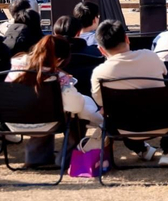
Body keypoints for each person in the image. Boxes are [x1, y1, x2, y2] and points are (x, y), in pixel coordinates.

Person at [91, 20, 168, 167]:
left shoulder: (99, 73)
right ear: (127, 39)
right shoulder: (151, 56)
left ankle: (143, 150)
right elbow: (165, 75)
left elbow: (101, 102)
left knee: (115, 112)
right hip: (163, 123)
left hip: (123, 128)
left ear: (101, 50)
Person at [5, 35, 103, 165]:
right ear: (59, 59)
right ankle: (67, 158)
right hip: (45, 123)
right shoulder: (56, 77)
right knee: (75, 115)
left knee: (42, 111)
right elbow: (76, 107)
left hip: (12, 121)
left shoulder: (13, 65)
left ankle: (36, 158)